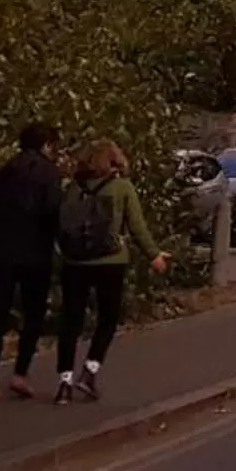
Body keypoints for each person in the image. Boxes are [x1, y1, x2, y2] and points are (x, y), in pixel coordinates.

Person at [53, 140, 168, 404]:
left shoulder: (71, 188)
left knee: (70, 321)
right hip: (110, 260)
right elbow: (137, 226)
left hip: (75, 262)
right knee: (107, 318)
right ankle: (90, 370)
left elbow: (59, 223)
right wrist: (154, 255)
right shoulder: (122, 187)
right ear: (115, 160)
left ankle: (64, 382)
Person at [0, 122, 61, 401]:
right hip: (36, 254)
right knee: (33, 314)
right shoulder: (49, 173)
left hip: (2, 252)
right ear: (47, 145)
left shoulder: (3, 173)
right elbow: (53, 213)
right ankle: (20, 373)